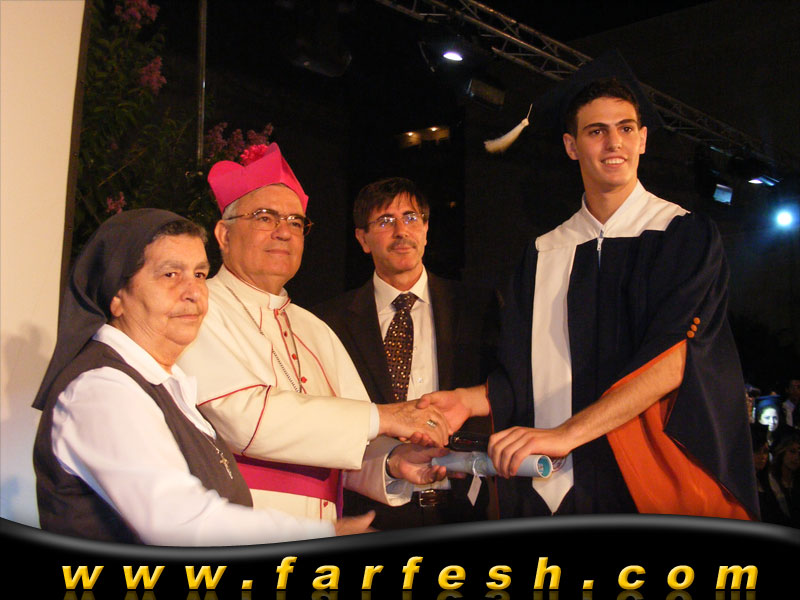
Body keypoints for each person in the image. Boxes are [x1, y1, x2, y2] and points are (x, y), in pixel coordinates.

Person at [420, 53, 759, 520]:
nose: (613, 142)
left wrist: (568, 433)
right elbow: (521, 378)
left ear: (642, 139)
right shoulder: (543, 253)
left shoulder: (683, 236)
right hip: (553, 484)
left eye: (625, 128)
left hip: (651, 478)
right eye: (596, 131)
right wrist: (468, 400)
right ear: (571, 146)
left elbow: (674, 360)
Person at [32, 209, 373, 545]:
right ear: (116, 296)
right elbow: (178, 524)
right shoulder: (103, 390)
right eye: (170, 274)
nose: (193, 291)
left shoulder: (162, 385)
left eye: (199, 274)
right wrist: (323, 533)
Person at [177, 144, 450, 524]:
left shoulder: (315, 329)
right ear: (223, 234)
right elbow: (244, 419)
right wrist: (385, 416)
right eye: (264, 218)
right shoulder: (195, 310)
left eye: (295, 222)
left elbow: (352, 441)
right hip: (234, 527)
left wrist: (392, 461)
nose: (283, 233)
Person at [312, 177, 498, 529]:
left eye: (411, 218)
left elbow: (503, 389)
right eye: (385, 221)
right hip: (371, 511)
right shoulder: (328, 322)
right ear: (362, 239)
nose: (401, 231)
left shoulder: (478, 307)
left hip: (466, 505)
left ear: (426, 229)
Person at [766, 429, 800, 527]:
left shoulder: (796, 481)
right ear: (781, 452)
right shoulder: (770, 481)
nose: (797, 457)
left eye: (799, 452)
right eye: (792, 452)